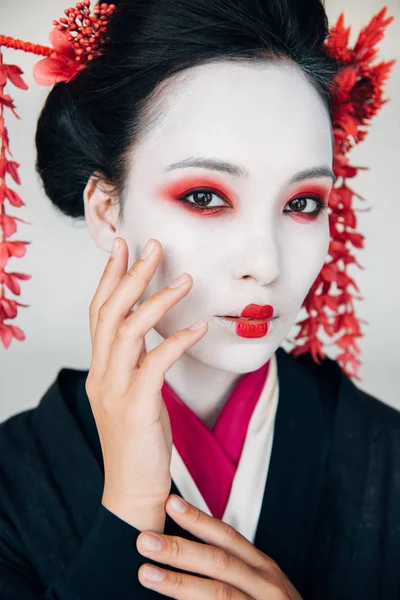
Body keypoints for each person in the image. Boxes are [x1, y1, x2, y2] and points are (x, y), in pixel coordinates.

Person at [0, 0, 399, 598]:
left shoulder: (386, 458)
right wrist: (130, 508)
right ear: (108, 210)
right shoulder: (13, 479)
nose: (266, 265)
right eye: (206, 197)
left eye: (302, 203)